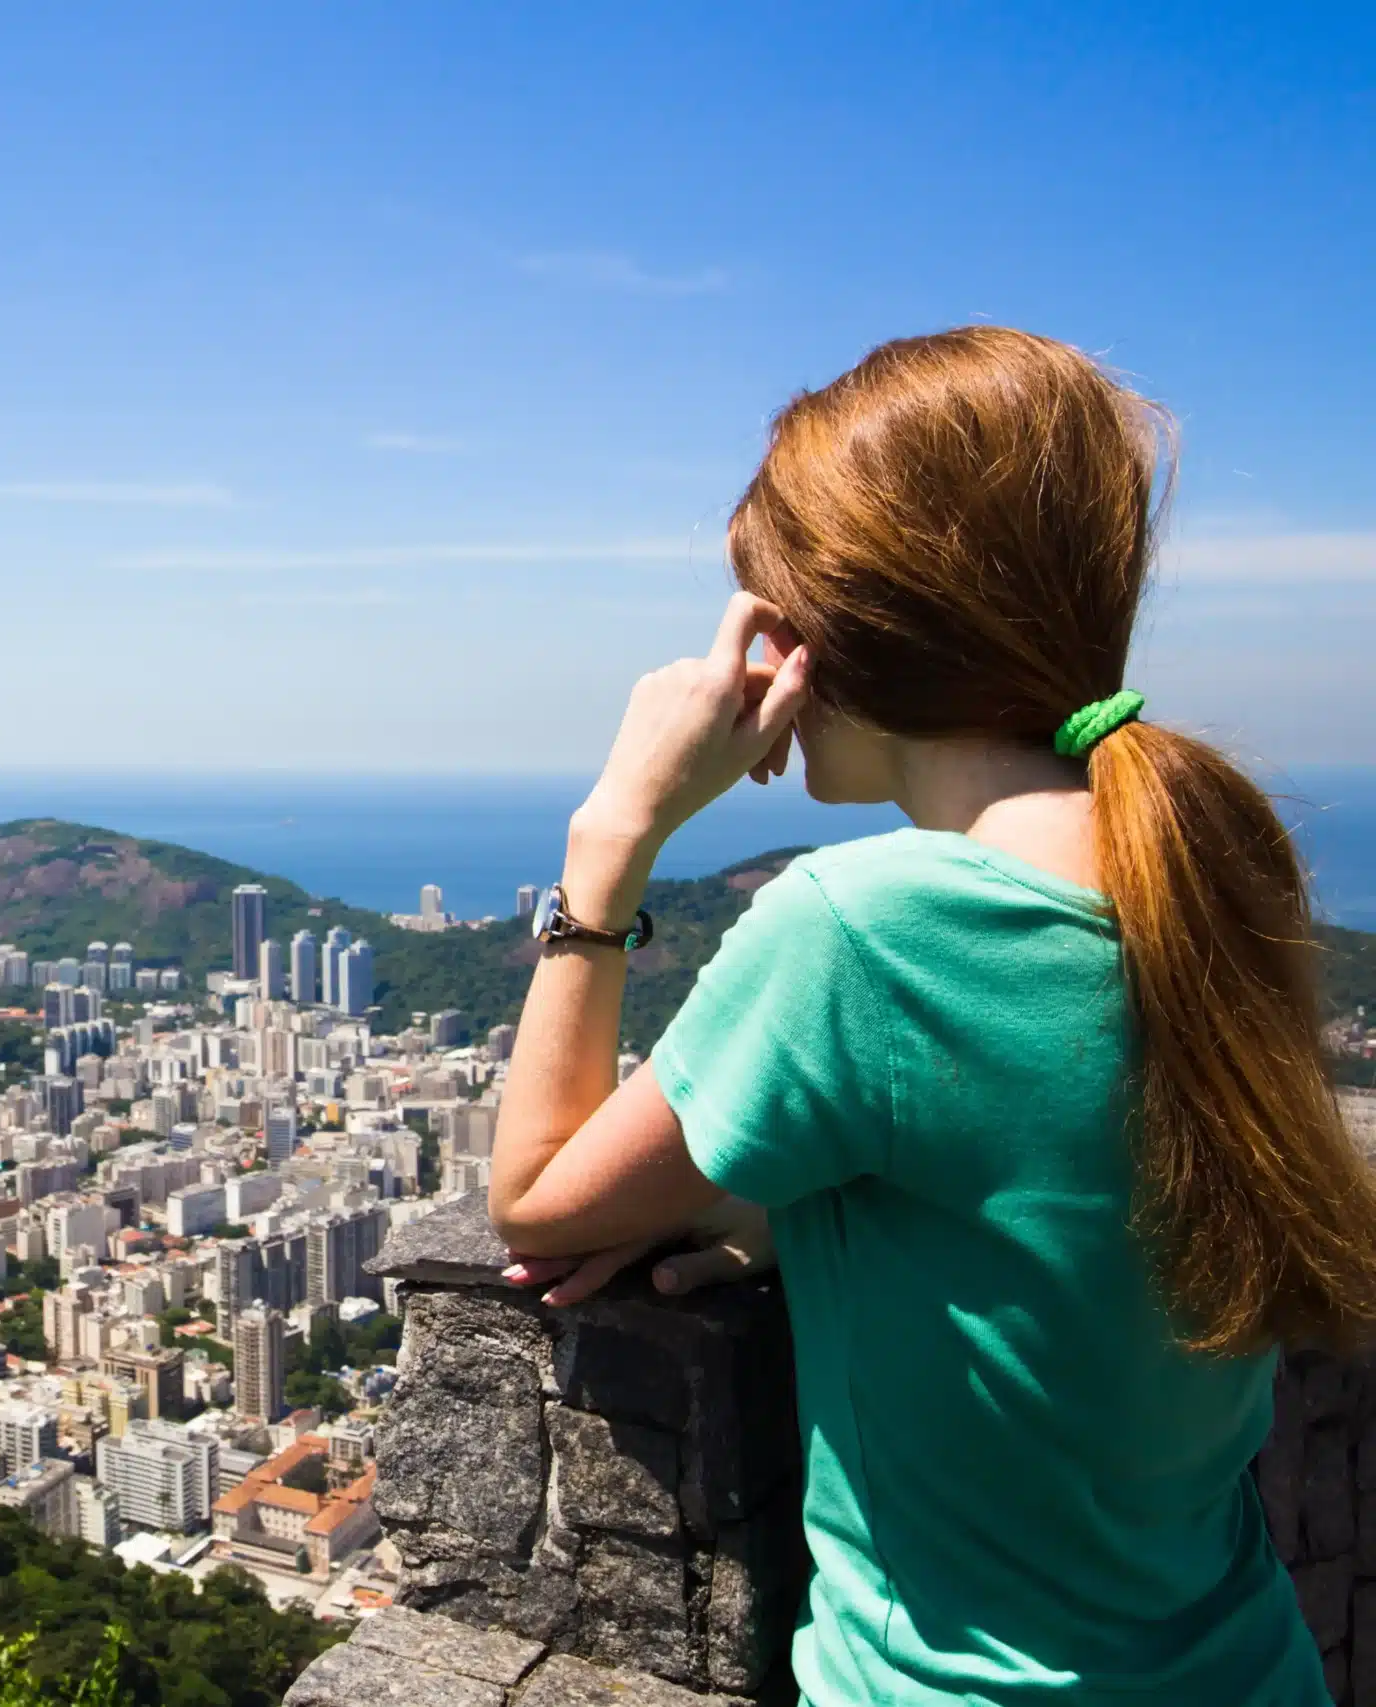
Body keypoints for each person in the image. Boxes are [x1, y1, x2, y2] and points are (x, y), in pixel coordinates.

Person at [486, 326, 1376, 1704]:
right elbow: (1056, 1187)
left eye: (763, 620)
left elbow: (538, 1197)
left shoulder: (866, 928)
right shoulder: (1201, 871)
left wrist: (612, 836)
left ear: (837, 634)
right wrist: (815, 1217)